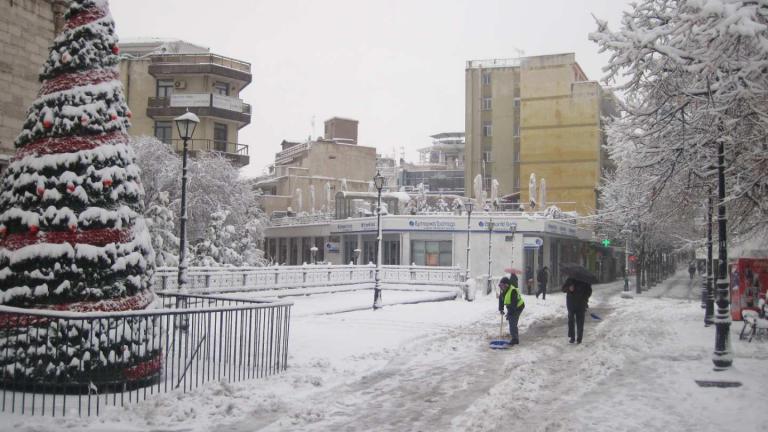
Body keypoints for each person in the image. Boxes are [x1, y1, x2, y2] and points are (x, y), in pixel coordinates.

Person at [561, 277, 592, 344]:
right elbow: (563, 289)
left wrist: (585, 298)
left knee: (580, 322)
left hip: (581, 304)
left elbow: (589, 291)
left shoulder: (585, 281)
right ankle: (572, 337)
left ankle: (579, 338)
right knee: (571, 321)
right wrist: (569, 289)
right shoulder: (570, 280)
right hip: (571, 304)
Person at [498, 275, 525, 345]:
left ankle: (515, 339)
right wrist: (501, 309)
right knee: (511, 319)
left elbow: (513, 305)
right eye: (500, 285)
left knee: (512, 321)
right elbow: (501, 300)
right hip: (511, 307)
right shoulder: (503, 291)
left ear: (506, 285)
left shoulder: (513, 291)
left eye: (502, 285)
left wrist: (509, 314)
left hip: (518, 307)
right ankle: (514, 337)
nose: (501, 287)